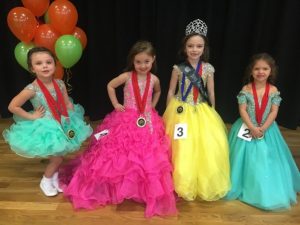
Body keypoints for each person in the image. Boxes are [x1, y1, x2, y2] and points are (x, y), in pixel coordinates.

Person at [59, 41, 177, 217]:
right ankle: (117, 186)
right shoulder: (127, 76)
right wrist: (116, 104)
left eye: (146, 61)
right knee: (118, 152)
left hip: (147, 119)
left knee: (147, 155)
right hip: (126, 117)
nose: (142, 65)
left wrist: (151, 106)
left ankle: (139, 188)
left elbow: (158, 91)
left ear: (153, 60)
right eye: (138, 62)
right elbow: (110, 85)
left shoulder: (155, 79)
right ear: (132, 61)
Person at [2, 47, 92, 197]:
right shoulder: (32, 89)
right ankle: (46, 179)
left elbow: (66, 102)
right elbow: (13, 106)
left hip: (62, 121)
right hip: (46, 126)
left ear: (54, 65)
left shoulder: (60, 83)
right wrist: (31, 117)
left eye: (48, 62)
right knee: (56, 158)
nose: (44, 66)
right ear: (32, 68)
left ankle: (54, 179)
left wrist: (71, 113)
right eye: (39, 63)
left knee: (60, 153)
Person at [163, 19, 230, 201]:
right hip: (180, 109)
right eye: (191, 46)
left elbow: (211, 91)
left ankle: (201, 180)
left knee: (204, 146)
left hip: (201, 109)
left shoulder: (208, 68)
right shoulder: (178, 68)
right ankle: (180, 180)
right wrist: (167, 111)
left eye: (198, 46)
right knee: (181, 146)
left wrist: (213, 112)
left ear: (204, 47)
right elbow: (170, 90)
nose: (194, 50)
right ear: (185, 47)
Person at [225, 53, 300, 210]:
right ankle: (245, 184)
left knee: (267, 158)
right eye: (257, 68)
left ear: (271, 71)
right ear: (251, 71)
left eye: (265, 68)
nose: (261, 72)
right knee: (241, 159)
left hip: (267, 128)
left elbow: (273, 111)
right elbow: (242, 110)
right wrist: (252, 127)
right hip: (247, 126)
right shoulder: (246, 89)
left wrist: (264, 128)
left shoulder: (273, 90)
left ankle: (264, 186)